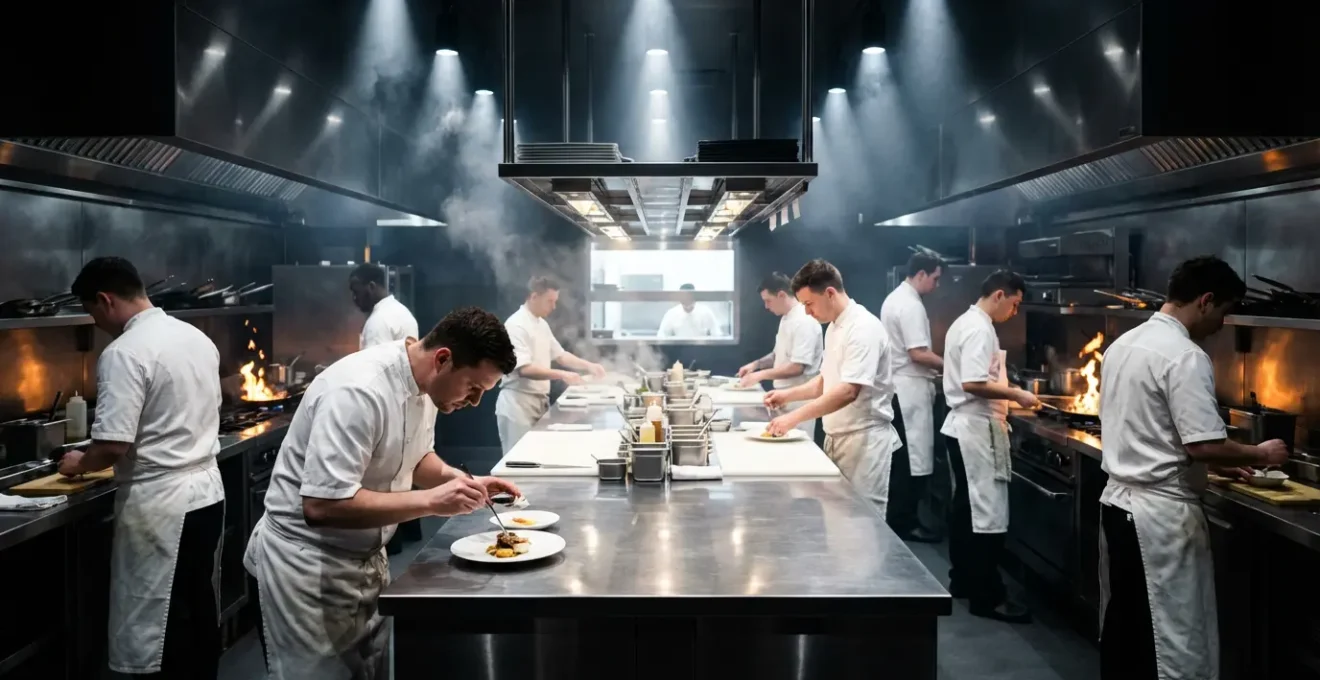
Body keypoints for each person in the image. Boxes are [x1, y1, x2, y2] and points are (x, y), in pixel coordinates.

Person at [243, 307, 523, 679]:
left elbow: (415, 456)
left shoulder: (427, 386)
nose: (474, 402)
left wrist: (458, 480)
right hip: (307, 568)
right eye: (473, 388)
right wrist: (431, 502)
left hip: (365, 561)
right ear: (443, 359)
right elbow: (323, 505)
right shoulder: (360, 390)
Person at [1098, 256, 1287, 680]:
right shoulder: (1185, 355)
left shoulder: (1123, 344)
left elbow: (1152, 434)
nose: (1223, 323)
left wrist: (1217, 468)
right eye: (1224, 311)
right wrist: (1259, 454)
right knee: (1170, 642)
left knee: (1126, 628)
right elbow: (1203, 444)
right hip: (1159, 523)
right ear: (1206, 301)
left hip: (1119, 506)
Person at [58, 257, 226, 678]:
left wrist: (81, 462)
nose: (96, 323)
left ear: (104, 299)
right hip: (207, 493)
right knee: (196, 602)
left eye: (92, 312)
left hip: (162, 506)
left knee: (163, 620)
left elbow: (112, 444)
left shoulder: (124, 352)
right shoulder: (194, 337)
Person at [764, 260, 901, 515]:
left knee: (863, 524)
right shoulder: (835, 327)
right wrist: (786, 395)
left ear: (829, 293)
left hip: (864, 440)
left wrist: (793, 418)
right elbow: (826, 381)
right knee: (839, 524)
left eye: (808, 304)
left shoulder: (863, 327)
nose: (807, 312)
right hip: (837, 436)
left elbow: (849, 390)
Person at [941, 270, 1038, 623]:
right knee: (986, 517)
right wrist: (1017, 393)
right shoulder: (979, 328)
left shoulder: (965, 322)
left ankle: (963, 582)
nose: (1014, 312)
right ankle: (988, 597)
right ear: (1000, 295)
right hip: (975, 430)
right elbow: (973, 382)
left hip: (963, 429)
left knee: (966, 512)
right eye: (1014, 304)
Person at [495, 275, 606, 453]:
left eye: (555, 301)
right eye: (550, 301)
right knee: (518, 463)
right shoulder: (516, 325)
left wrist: (589, 365)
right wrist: (562, 374)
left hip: (539, 401)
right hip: (518, 403)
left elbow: (561, 355)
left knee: (537, 457)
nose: (553, 307)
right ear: (534, 297)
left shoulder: (541, 324)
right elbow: (524, 369)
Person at [880, 253, 945, 543]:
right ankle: (903, 524)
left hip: (902, 388)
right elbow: (918, 353)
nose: (936, 285)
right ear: (921, 274)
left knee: (906, 462)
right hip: (908, 393)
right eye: (935, 278)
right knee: (911, 463)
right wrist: (955, 366)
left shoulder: (897, 298)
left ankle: (901, 520)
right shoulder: (909, 305)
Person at [736, 272, 823, 434]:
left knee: (798, 450)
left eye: (768, 301)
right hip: (782, 398)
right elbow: (777, 355)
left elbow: (797, 367)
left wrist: (759, 375)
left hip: (799, 402)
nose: (766, 306)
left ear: (782, 295)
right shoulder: (786, 318)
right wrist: (755, 365)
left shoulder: (804, 321)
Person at [350, 262, 419, 349]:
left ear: (371, 286)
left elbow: (374, 362)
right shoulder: (403, 312)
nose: (354, 298)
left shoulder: (377, 322)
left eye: (356, 292)